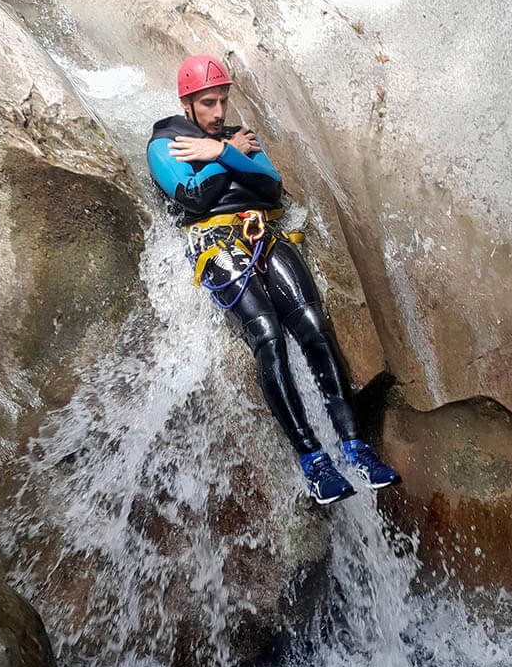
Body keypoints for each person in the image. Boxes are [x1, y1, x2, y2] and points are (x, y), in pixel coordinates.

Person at [147, 54, 401, 505]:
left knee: (315, 329)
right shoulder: (166, 145)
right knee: (267, 335)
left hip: (262, 232)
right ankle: (313, 462)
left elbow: (271, 186)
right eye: (207, 103)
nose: (219, 112)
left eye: (223, 101)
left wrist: (222, 151)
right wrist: (224, 158)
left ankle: (356, 449)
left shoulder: (236, 138)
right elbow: (192, 198)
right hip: (212, 243)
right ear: (187, 103)